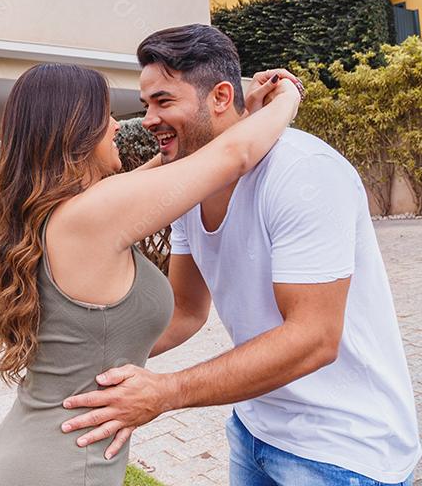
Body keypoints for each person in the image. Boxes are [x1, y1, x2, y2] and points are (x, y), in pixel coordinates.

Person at [60, 24, 420, 486]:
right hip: (254, 429)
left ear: (220, 96)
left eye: (163, 101)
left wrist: (166, 392)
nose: (147, 119)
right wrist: (95, 361)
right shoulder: (187, 184)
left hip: (342, 449)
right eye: (146, 104)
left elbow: (314, 337)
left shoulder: (302, 172)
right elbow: (186, 309)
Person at [0, 59, 300, 486]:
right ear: (75, 130)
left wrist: (240, 116)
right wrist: (287, 98)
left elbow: (170, 169)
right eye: (104, 115)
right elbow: (232, 156)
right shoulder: (91, 216)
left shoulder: (60, 213)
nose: (117, 126)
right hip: (63, 467)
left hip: (32, 450)